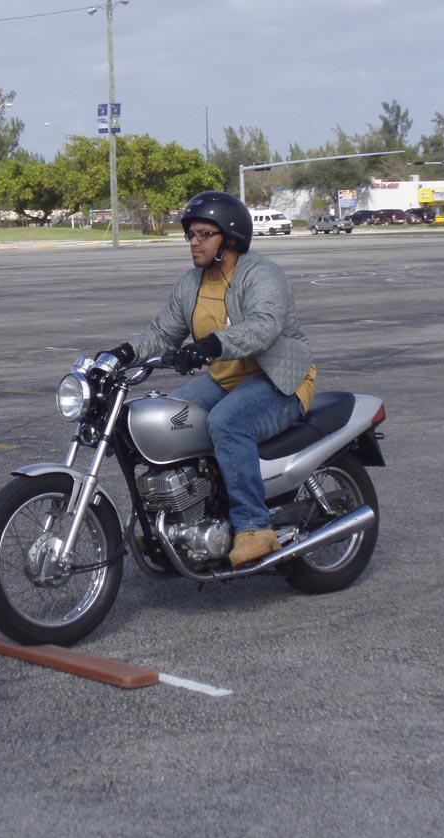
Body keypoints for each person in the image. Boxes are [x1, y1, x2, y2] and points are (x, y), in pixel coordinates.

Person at [104, 191, 316, 568]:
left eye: (204, 234)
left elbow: (263, 326)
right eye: (191, 235)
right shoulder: (192, 284)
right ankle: (180, 518)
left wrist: (210, 345)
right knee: (167, 421)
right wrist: (120, 354)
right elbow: (163, 331)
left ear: (230, 239)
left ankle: (254, 527)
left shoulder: (261, 274)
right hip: (227, 380)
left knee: (227, 422)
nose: (194, 242)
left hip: (280, 380)